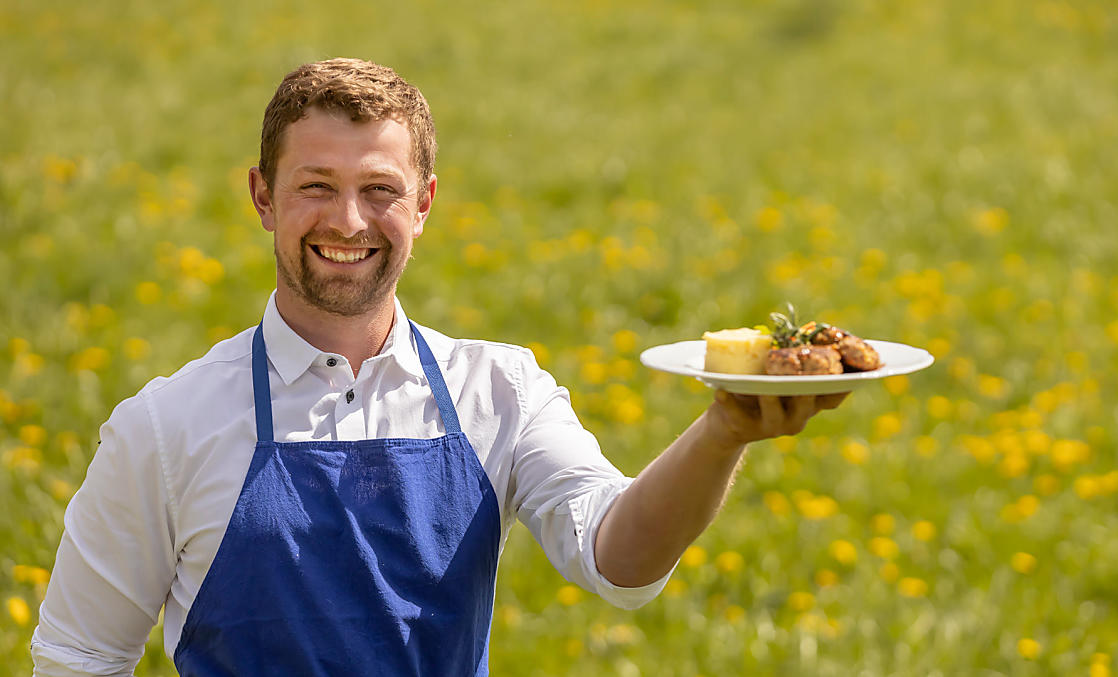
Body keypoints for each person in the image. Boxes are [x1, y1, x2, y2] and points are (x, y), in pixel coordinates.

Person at [31, 58, 847, 676]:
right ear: (262, 196)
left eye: (379, 188)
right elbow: (76, 656)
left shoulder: (500, 391)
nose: (348, 220)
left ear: (423, 203)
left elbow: (617, 561)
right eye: (316, 185)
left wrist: (723, 429)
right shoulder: (165, 427)